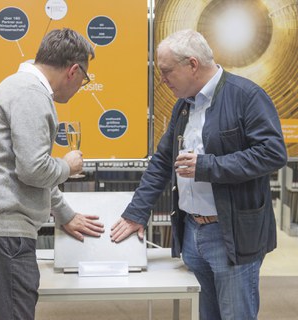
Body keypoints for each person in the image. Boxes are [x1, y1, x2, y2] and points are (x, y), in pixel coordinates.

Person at [110, 29, 287, 320]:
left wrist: (208, 166)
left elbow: (272, 154)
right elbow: (162, 161)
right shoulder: (184, 105)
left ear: (192, 64)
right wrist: (136, 213)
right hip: (193, 234)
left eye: (167, 71)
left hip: (232, 237)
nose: (162, 80)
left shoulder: (246, 96)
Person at [0, 28, 105, 320]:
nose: (80, 86)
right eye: (85, 79)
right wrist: (68, 166)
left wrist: (64, 213)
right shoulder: (32, 95)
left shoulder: (17, 87)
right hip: (3, 235)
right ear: (73, 71)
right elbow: (34, 169)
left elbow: (20, 166)